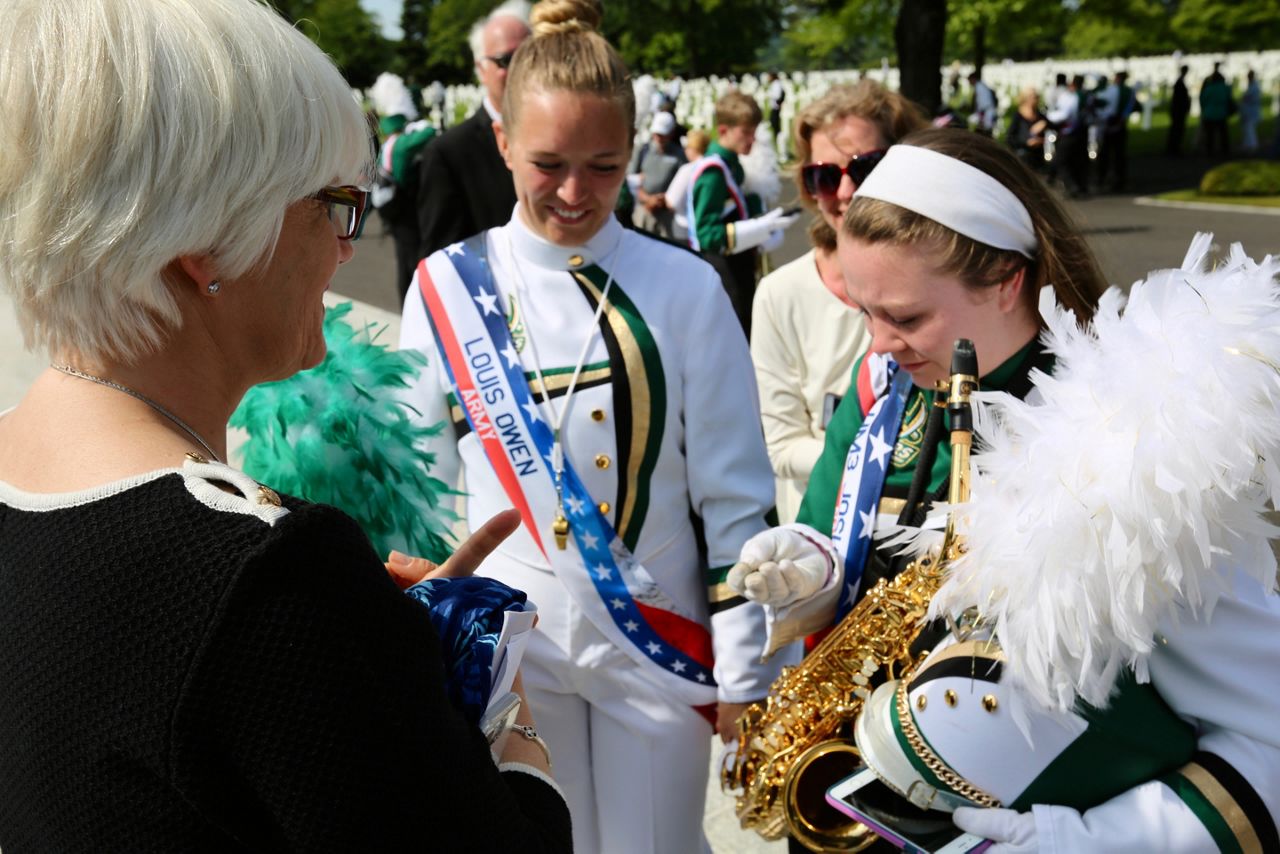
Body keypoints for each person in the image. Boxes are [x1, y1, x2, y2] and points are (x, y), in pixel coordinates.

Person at [0, 1, 571, 851]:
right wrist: (502, 728)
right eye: (334, 204)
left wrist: (374, 656)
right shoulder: (269, 575)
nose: (349, 247)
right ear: (208, 238)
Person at [397, 2, 788, 851]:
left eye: (605, 167)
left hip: (657, 640)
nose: (575, 194)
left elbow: (735, 499)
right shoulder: (442, 290)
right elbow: (423, 493)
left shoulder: (684, 287)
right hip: (514, 649)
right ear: (501, 140)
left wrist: (746, 669)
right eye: (547, 164)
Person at [751, 81, 927, 524]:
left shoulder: (943, 281)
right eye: (825, 176)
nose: (845, 191)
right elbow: (781, 445)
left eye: (865, 167)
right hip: (823, 534)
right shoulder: (780, 294)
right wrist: (882, 462)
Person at [415, 1, 531, 260]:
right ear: (481, 69)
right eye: (507, 59)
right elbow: (442, 258)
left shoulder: (558, 137)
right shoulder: (449, 153)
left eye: (529, 56)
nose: (520, 68)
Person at [689, 90, 801, 336]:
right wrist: (759, 229)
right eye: (745, 133)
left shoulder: (733, 164)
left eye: (753, 132)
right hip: (724, 270)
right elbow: (707, 235)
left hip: (739, 265)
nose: (752, 140)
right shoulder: (713, 172)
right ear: (723, 131)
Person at [628, 110, 687, 238]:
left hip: (666, 213)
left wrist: (661, 200)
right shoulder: (643, 150)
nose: (659, 137)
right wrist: (647, 199)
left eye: (663, 134)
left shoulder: (679, 155)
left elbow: (683, 182)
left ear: (671, 133)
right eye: (657, 133)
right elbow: (632, 179)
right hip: (643, 210)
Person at [1047, 74, 1090, 196]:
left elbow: (1064, 115)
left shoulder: (1071, 97)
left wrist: (1049, 117)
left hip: (1070, 131)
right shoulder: (1087, 95)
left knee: (1061, 159)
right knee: (1078, 159)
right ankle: (1081, 186)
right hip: (1082, 131)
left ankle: (1072, 185)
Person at [1097, 70, 1136, 192]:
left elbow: (1101, 102)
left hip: (1111, 122)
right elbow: (1131, 106)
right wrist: (1122, 119)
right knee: (1119, 154)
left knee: (1105, 153)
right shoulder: (1130, 91)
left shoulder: (1112, 90)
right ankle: (1119, 179)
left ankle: (1102, 178)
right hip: (1121, 123)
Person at [1005, 86, 1049, 170]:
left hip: (1037, 159)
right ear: (1027, 98)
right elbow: (1009, 139)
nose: (1037, 99)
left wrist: (1044, 124)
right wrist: (1027, 143)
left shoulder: (1040, 116)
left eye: (1037, 96)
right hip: (1023, 159)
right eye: (1034, 97)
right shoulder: (1018, 116)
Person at [1199, 62, 1232, 158]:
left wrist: (1205, 109)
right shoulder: (1225, 88)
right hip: (1221, 114)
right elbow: (1228, 99)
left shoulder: (1209, 89)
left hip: (1209, 114)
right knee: (1223, 135)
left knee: (1210, 136)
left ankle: (1210, 152)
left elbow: (1203, 100)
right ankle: (1225, 151)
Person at [1166, 64, 1192, 155]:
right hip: (1178, 111)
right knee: (1177, 130)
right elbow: (1180, 98)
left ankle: (1173, 148)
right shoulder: (1180, 82)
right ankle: (1174, 149)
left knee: (1176, 129)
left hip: (1178, 110)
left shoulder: (1180, 81)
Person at [968, 70, 998, 135]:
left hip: (986, 113)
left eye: (969, 80)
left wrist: (980, 115)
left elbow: (984, 104)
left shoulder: (979, 87)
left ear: (973, 79)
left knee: (986, 132)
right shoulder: (981, 86)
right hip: (987, 112)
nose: (969, 82)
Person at [1240, 69, 1262, 153]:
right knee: (1247, 129)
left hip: (1251, 111)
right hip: (1249, 110)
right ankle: (1248, 144)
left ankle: (1253, 145)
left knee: (1250, 129)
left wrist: (1244, 98)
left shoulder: (1254, 86)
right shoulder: (1252, 85)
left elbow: (1249, 97)